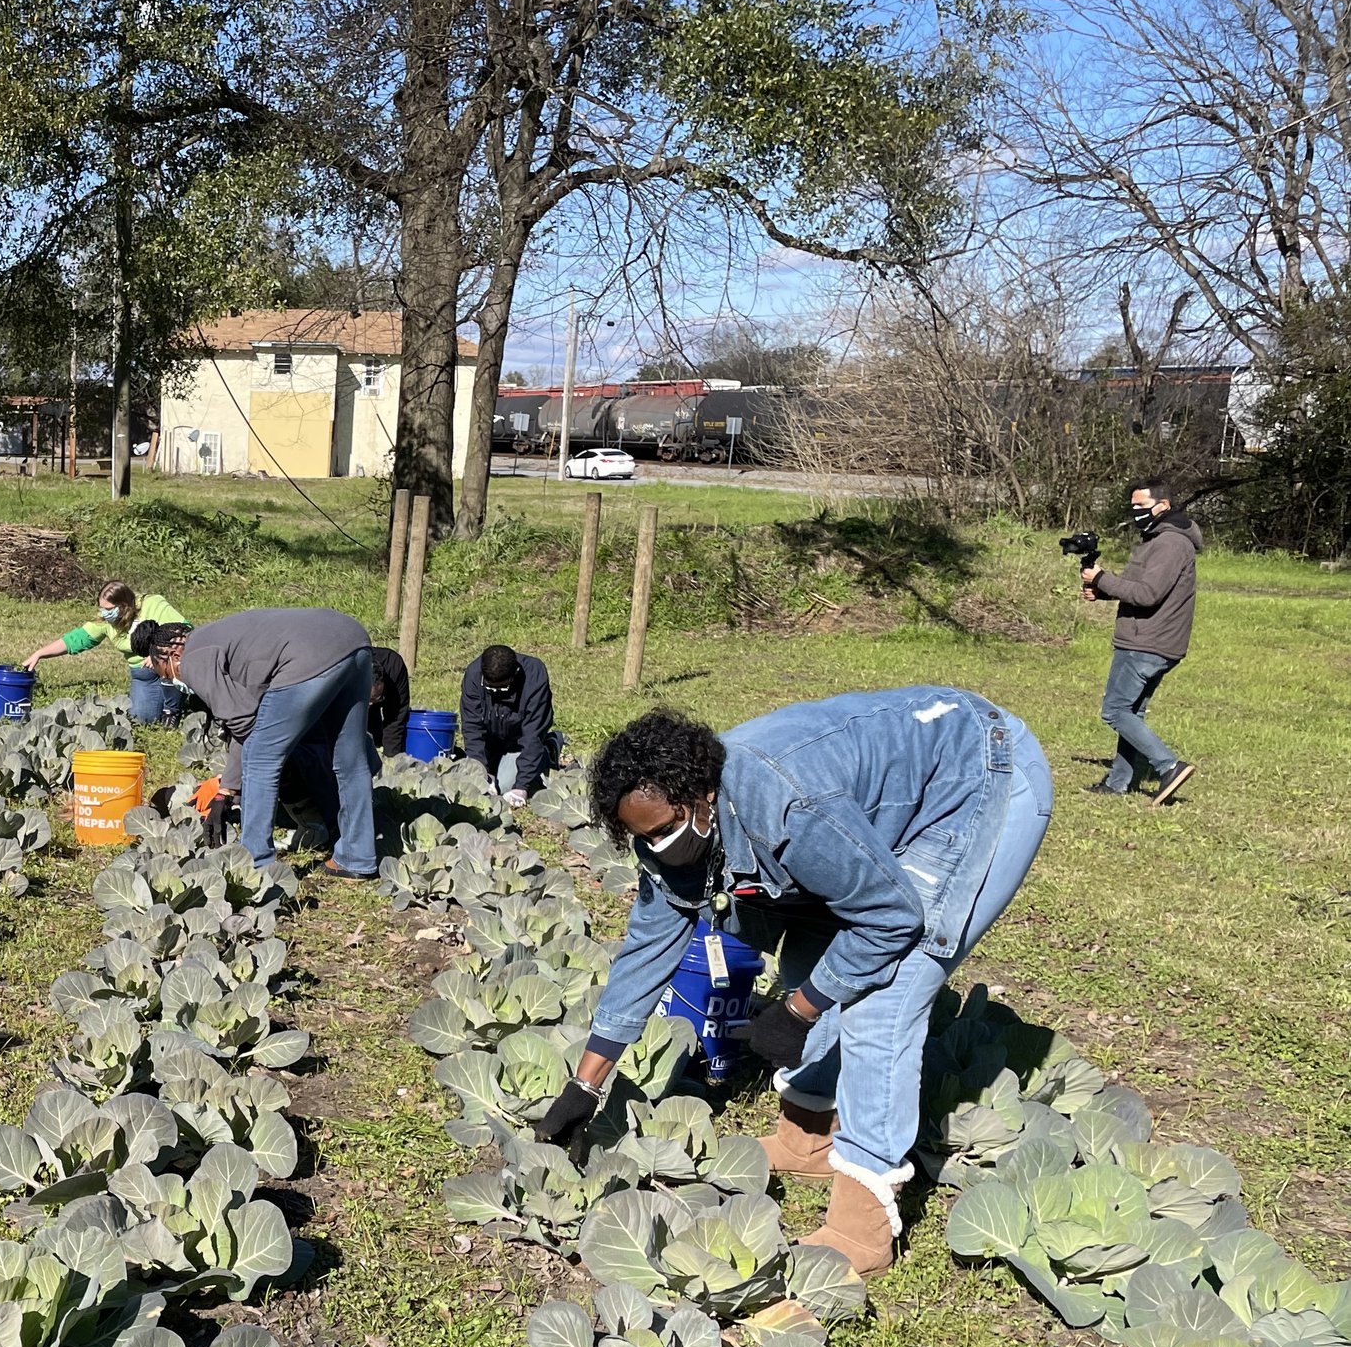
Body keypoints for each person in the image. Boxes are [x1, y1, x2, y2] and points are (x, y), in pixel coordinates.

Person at [532, 690, 1053, 1275]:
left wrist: (799, 1011)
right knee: (816, 957)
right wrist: (588, 1084)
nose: (658, 845)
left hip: (976, 776)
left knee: (885, 995)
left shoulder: (787, 808)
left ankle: (865, 1227)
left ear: (703, 796)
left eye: (666, 830)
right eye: (644, 838)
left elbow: (892, 917)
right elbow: (646, 952)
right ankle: (809, 1136)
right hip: (872, 803)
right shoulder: (668, 835)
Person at [141, 608, 378, 879]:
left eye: (166, 674)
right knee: (350, 758)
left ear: (174, 656)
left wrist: (228, 790)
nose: (173, 679)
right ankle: (356, 857)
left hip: (307, 657)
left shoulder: (193, 658)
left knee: (261, 758)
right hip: (353, 639)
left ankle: (256, 864)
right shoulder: (222, 636)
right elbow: (249, 716)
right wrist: (226, 790)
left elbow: (244, 727)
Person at [1083, 479, 1200, 805]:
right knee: (1132, 711)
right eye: (1132, 507)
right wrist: (1102, 589)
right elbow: (1144, 588)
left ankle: (1169, 766)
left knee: (1116, 711)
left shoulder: (1170, 544)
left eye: (1142, 507)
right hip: (1153, 639)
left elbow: (1147, 595)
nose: (1136, 514)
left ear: (1163, 506)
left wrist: (1102, 578)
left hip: (1146, 642)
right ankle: (1118, 782)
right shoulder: (1160, 539)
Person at [20, 581, 188, 722]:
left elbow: (183, 630)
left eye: (108, 609)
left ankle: (177, 705)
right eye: (101, 608)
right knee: (142, 719)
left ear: (124, 606)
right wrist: (40, 653)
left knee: (176, 675)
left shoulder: (153, 605)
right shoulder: (106, 621)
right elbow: (77, 639)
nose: (104, 613)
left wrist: (159, 653)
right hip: (144, 675)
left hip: (170, 663)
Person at [459, 643, 556, 811]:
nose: (496, 693)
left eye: (502, 688)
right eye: (490, 688)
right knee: (479, 787)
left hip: (520, 743)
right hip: (491, 742)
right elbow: (472, 728)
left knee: (505, 787)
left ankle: (550, 749)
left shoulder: (534, 675)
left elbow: (533, 734)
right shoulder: (474, 676)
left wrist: (522, 786)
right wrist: (481, 774)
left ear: (515, 674)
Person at [368, 645, 410, 757]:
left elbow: (396, 719)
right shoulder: (346, 668)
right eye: (367, 699)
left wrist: (391, 759)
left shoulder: (394, 667)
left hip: (390, 693)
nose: (370, 704)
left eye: (374, 699)